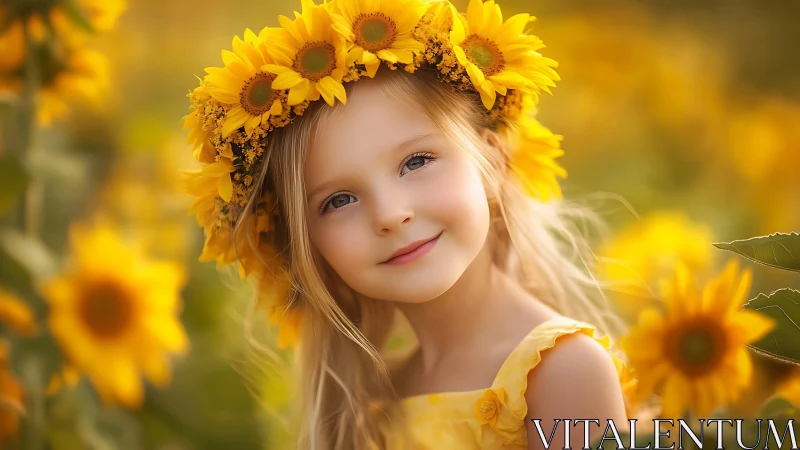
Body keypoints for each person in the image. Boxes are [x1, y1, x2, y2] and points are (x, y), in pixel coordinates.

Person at [183, 0, 632, 448]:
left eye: (417, 161)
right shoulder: (379, 395)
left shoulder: (562, 371)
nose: (390, 215)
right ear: (304, 244)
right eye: (338, 200)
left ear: (492, 163)